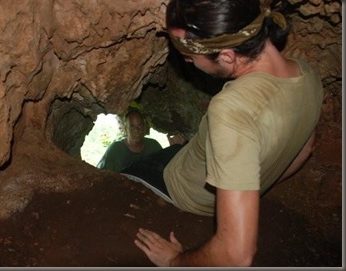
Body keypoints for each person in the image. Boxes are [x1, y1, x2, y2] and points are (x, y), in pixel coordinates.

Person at [122, 0, 324, 267]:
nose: (185, 59)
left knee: (127, 173)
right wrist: (256, 185)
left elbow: (236, 254)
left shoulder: (232, 109)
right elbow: (306, 149)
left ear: (227, 56)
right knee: (176, 149)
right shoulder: (307, 74)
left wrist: (174, 261)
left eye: (190, 55)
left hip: (182, 188)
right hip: (195, 160)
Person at [97, 108, 186, 172]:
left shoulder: (153, 146)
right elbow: (100, 175)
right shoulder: (115, 150)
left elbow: (165, 169)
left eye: (139, 126)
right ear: (125, 128)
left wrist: (172, 148)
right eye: (132, 127)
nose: (137, 130)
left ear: (144, 127)